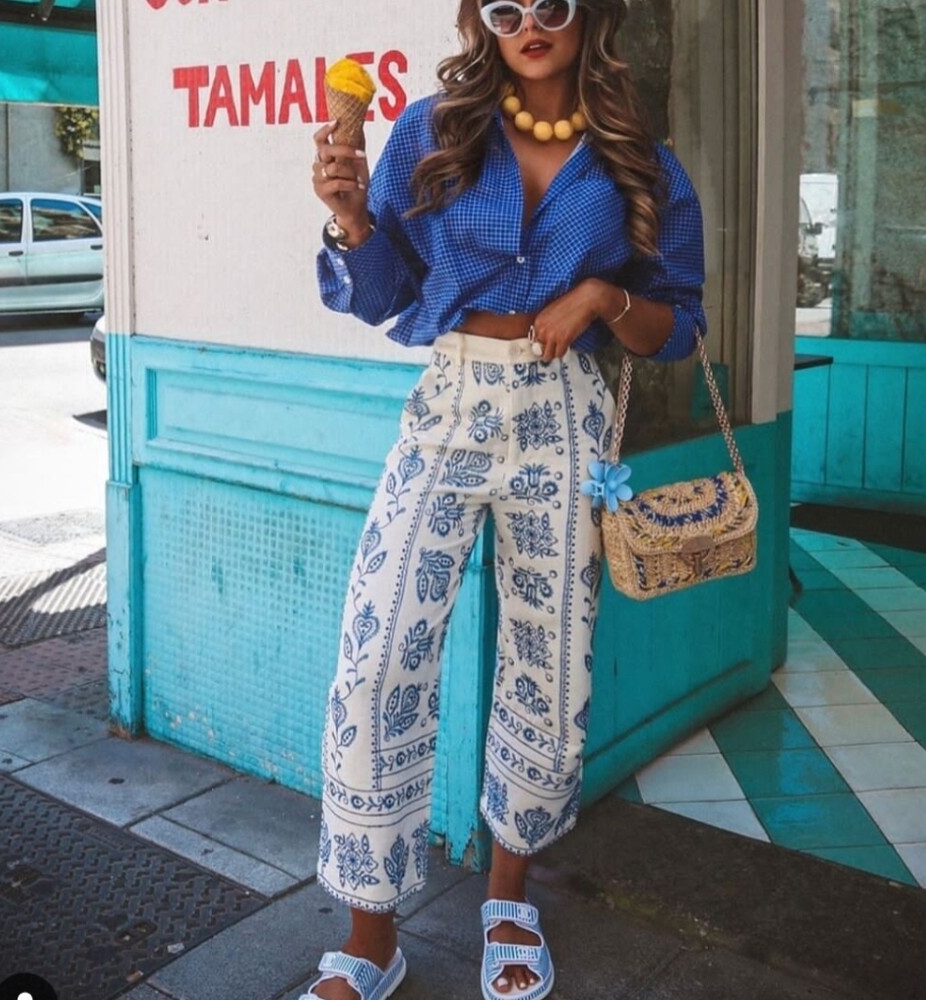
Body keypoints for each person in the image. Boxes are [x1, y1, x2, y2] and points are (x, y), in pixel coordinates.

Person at [306, 2, 705, 998]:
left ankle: (508, 898)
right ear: (479, 21)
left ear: (591, 16)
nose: (529, 23)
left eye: (551, 5)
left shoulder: (634, 160)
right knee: (379, 650)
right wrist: (353, 219)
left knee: (548, 654)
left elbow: (678, 326)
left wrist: (603, 298)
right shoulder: (428, 132)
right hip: (450, 403)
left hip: (560, 416)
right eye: (504, 7)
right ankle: (369, 936)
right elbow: (383, 291)